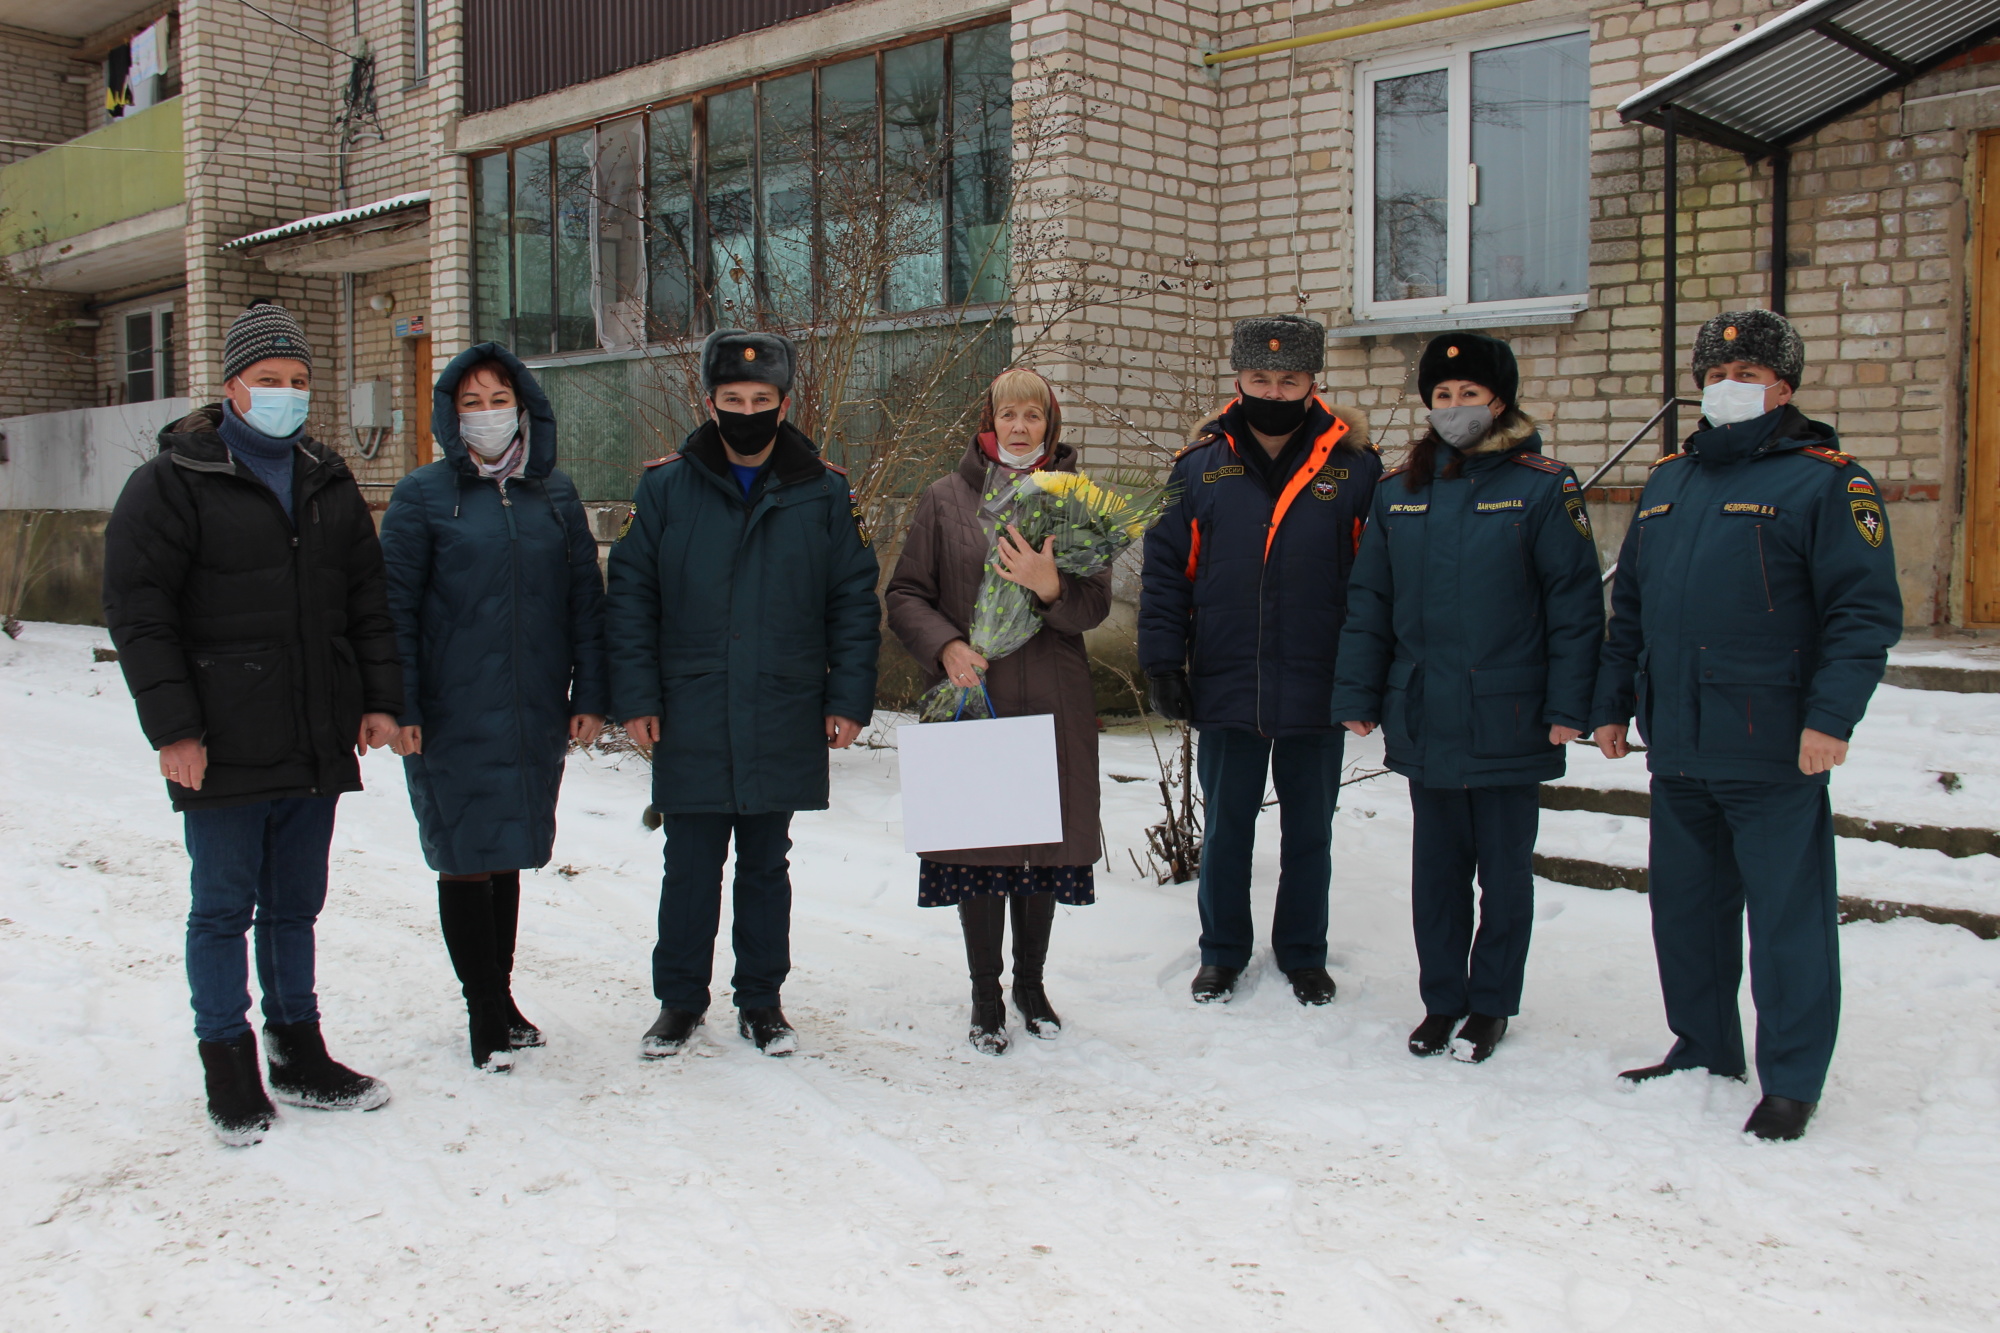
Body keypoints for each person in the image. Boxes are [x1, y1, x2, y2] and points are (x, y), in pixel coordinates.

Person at [1591, 309, 1902, 1141]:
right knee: (1685, 910)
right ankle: (1702, 1044)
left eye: (1749, 376)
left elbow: (1862, 614)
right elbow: (1633, 609)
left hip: (1774, 745)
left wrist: (1831, 719)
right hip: (1680, 741)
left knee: (1787, 920)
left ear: (1783, 389)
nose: (1729, 388)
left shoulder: (1828, 481)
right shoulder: (1668, 481)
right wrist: (1612, 704)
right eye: (1718, 376)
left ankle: (1792, 1077)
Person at [102, 301, 401, 1146]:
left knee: (296, 904)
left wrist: (376, 700)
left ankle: (299, 1051)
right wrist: (175, 729)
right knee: (223, 906)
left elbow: (366, 602)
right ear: (231, 386)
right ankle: (227, 1064)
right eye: (268, 380)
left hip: (313, 729)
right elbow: (140, 611)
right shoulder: (173, 480)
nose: (285, 394)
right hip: (223, 734)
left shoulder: (328, 478)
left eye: (299, 382)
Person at [606, 329, 880, 1059]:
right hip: (690, 705)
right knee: (690, 862)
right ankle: (679, 1001)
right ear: (711, 402)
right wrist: (636, 696)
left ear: (784, 404)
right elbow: (631, 595)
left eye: (762, 400)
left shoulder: (822, 492)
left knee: (767, 862)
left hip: (781, 703)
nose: (748, 410)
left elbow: (852, 598)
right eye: (734, 399)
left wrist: (848, 698)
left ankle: (761, 1000)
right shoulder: (665, 488)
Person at [1331, 333, 1603, 1063]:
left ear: (1499, 401)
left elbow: (1574, 605)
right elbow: (1371, 602)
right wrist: (1358, 691)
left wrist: (1569, 705)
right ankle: (1441, 999)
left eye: (1469, 394)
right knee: (1437, 872)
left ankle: (1490, 1004)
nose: (1455, 407)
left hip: (1511, 713)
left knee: (1504, 874)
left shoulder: (1544, 486)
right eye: (1442, 396)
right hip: (1426, 710)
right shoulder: (1399, 490)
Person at [1139, 314, 1382, 1006]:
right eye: (1259, 378)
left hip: (1317, 677)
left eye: (1289, 379)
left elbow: (1374, 583)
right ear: (1237, 379)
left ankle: (1304, 950)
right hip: (1226, 676)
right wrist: (1163, 660)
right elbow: (1165, 572)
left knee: (1310, 828)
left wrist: (1367, 677)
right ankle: (1222, 951)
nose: (1273, 391)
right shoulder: (1199, 467)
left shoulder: (1356, 469)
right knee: (1227, 827)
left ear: (1313, 382)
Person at [379, 345, 607, 1073]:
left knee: (505, 852)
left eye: (497, 398)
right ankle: (483, 1013)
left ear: (524, 406)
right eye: (470, 402)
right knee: (463, 860)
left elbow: (585, 604)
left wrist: (590, 694)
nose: (485, 414)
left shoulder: (555, 494)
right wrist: (401, 704)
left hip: (532, 707)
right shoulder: (422, 496)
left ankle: (501, 999)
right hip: (449, 713)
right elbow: (395, 612)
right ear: (451, 413)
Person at [885, 369, 1111, 1055]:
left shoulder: (1080, 502)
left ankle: (1032, 985)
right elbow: (905, 595)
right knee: (980, 848)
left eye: (1033, 417)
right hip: (972, 698)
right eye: (1007, 414)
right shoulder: (944, 499)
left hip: (1052, 699)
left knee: (1039, 848)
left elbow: (1095, 603)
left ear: (1051, 426)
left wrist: (1050, 589)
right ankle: (986, 991)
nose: (1019, 428)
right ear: (987, 421)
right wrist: (947, 645)